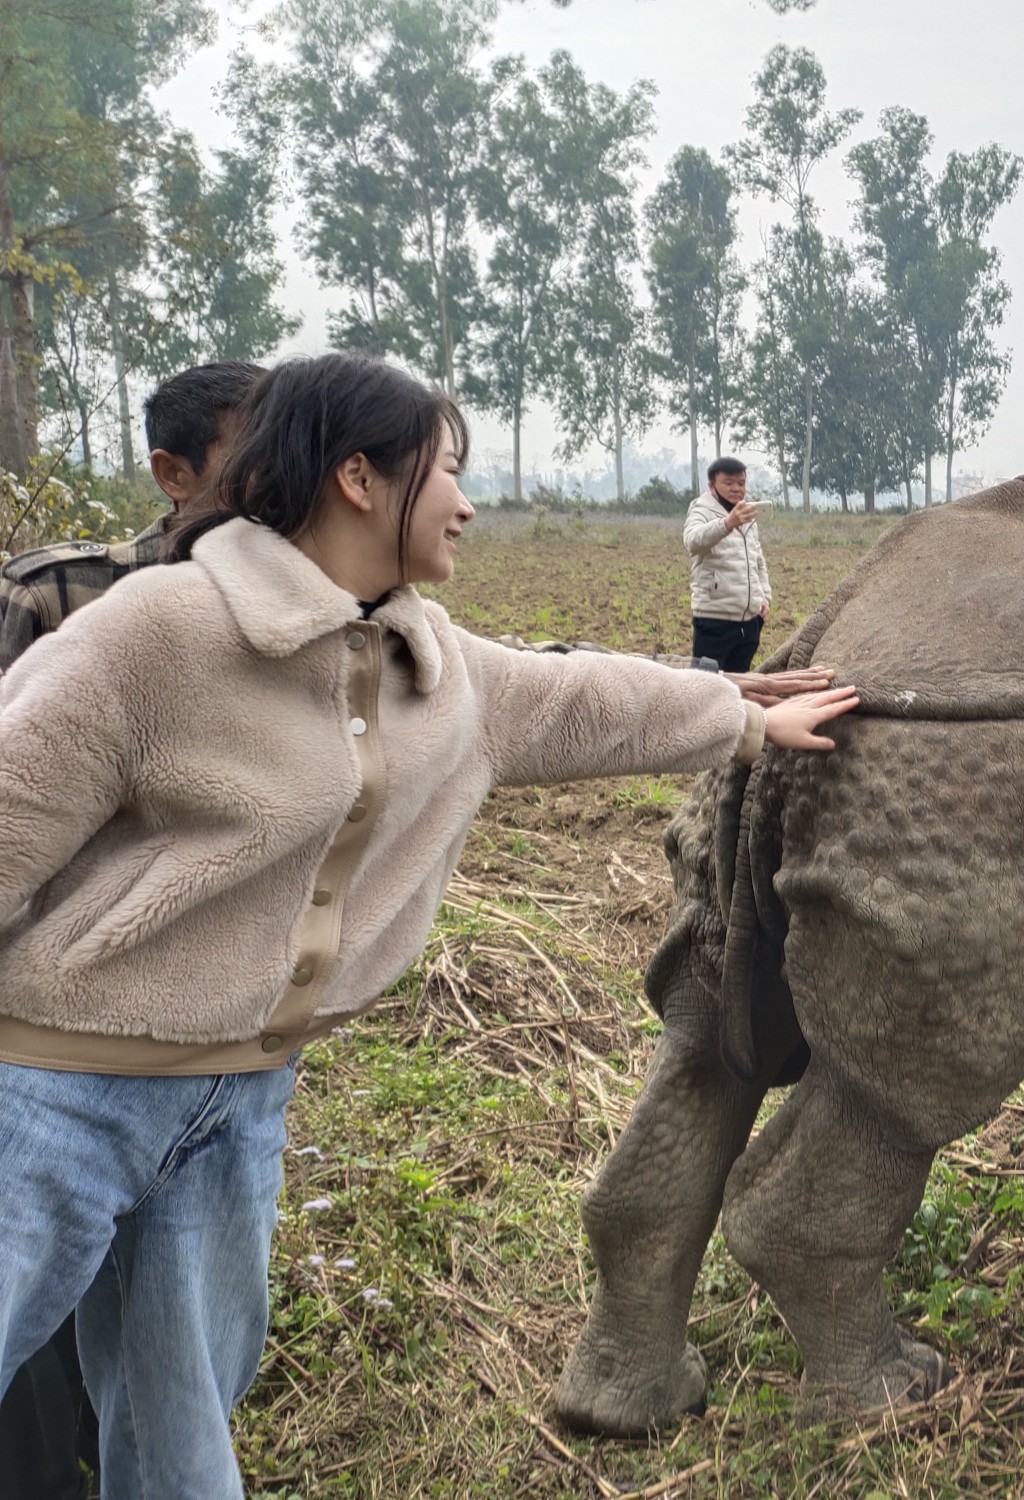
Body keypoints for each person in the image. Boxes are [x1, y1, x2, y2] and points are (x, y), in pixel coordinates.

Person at [0, 353, 857, 1498]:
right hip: (62, 1093)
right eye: (447, 470)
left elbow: (586, 699)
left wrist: (746, 722)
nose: (466, 500)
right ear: (358, 478)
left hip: (239, 1103)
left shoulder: (429, 660)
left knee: (180, 1431)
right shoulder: (157, 631)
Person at [0, 359, 263, 1500]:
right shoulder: (60, 599)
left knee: (164, 1357)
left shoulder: (317, 617)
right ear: (173, 472)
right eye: (261, 460)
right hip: (44, 1032)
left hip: (203, 1053)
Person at [0, 360, 263, 673]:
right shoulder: (54, 595)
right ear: (173, 474)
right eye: (258, 456)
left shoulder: (315, 598)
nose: (289, 478)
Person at [683, 455, 769, 673]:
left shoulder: (747, 514)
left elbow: (757, 561)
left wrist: (764, 598)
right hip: (715, 620)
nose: (736, 489)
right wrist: (727, 523)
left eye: (741, 483)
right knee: (705, 687)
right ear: (712, 486)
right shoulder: (701, 510)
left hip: (749, 622)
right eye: (728, 483)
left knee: (738, 686)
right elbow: (692, 541)